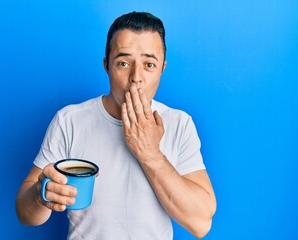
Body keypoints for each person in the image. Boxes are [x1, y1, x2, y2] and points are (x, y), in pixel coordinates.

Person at [16, 11, 216, 239]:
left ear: (162, 68)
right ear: (107, 65)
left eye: (149, 64)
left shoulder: (180, 124)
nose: (136, 77)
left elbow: (200, 223)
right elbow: (25, 213)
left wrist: (149, 153)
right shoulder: (69, 120)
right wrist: (40, 195)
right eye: (123, 62)